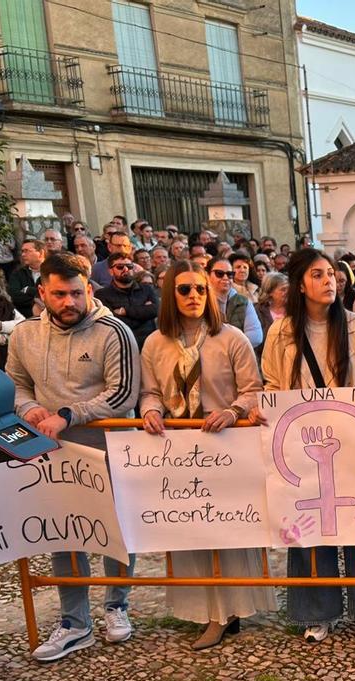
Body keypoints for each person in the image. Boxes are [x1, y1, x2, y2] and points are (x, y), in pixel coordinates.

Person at [6, 251, 140, 661]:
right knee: (64, 534)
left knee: (114, 532)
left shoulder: (113, 332)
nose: (70, 303)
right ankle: (74, 622)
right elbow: (16, 383)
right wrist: (30, 410)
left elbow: (122, 393)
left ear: (89, 289)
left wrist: (67, 415)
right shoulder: (23, 335)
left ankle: (117, 607)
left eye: (77, 293)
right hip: (55, 454)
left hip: (108, 448)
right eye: (60, 294)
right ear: (43, 291)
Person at [138, 261, 275, 649]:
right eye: (184, 289)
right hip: (180, 451)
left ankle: (228, 609)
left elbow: (253, 388)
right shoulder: (154, 343)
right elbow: (151, 391)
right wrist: (150, 409)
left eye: (200, 288)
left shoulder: (231, 338)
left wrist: (232, 411)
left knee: (228, 529)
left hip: (225, 449)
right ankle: (208, 610)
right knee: (193, 530)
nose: (194, 296)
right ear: (170, 295)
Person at [261, 249, 355, 642]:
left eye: (332, 275)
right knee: (307, 524)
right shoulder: (281, 333)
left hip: (353, 439)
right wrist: (266, 411)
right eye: (318, 275)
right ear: (300, 284)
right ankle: (315, 612)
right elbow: (271, 385)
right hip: (301, 445)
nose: (329, 282)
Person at [95, 252, 160, 348]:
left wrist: (125, 311)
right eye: (120, 267)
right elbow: (113, 322)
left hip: (149, 344)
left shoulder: (147, 289)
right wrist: (144, 313)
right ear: (111, 271)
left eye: (129, 266)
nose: (126, 269)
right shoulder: (102, 294)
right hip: (121, 345)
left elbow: (156, 310)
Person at [207, 257, 262, 350]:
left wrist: (229, 348)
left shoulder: (243, 301)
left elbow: (256, 337)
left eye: (229, 274)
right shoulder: (201, 301)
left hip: (239, 357)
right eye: (219, 274)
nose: (225, 278)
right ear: (207, 275)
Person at [7, 239, 45, 318]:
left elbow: (51, 293)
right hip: (26, 317)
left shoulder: (52, 271)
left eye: (27, 251)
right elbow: (14, 296)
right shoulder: (17, 274)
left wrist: (28, 290)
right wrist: (35, 300)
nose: (23, 254)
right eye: (22, 251)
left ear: (41, 253)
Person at [254, 272, 288, 347]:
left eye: (289, 288)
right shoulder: (257, 311)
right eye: (283, 289)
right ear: (270, 292)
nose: (287, 292)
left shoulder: (294, 309)